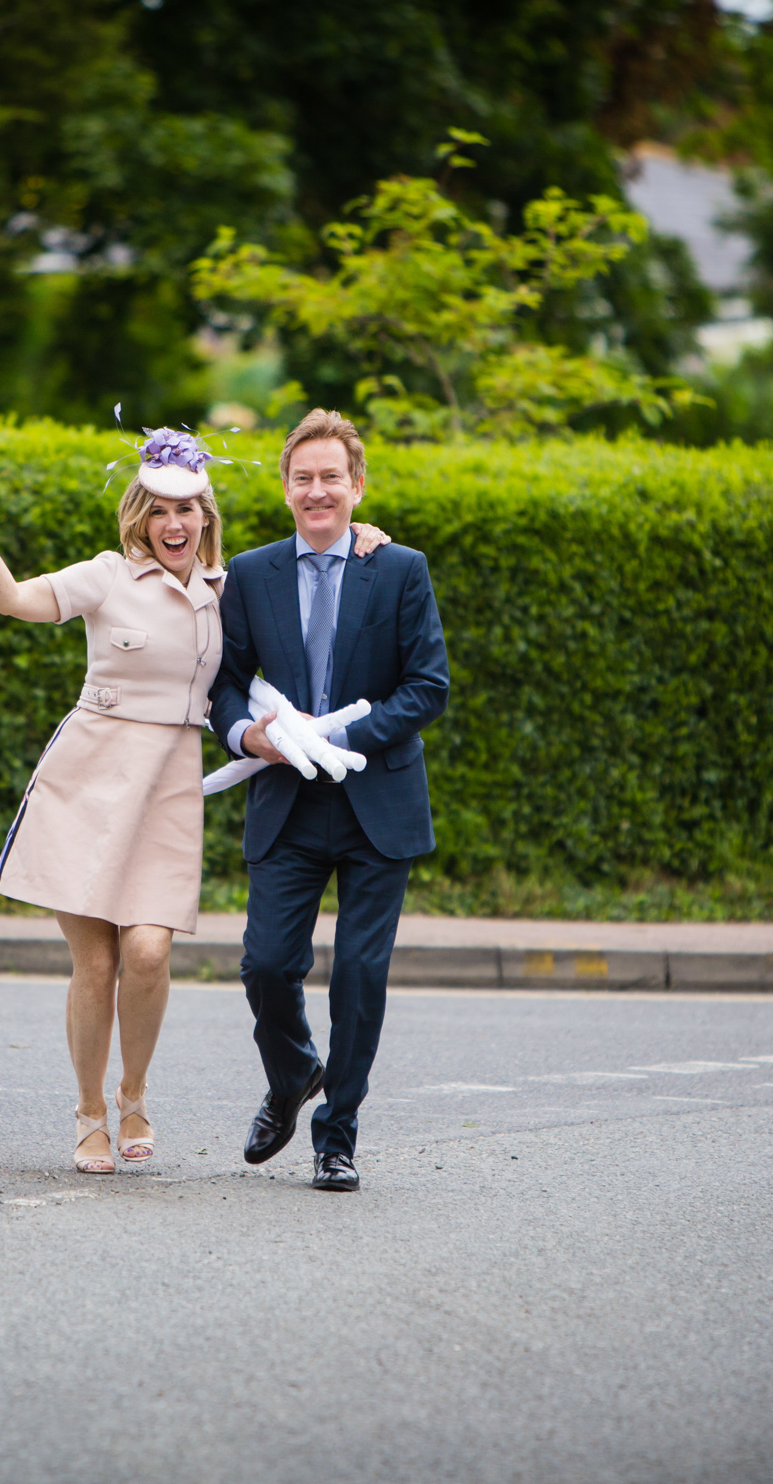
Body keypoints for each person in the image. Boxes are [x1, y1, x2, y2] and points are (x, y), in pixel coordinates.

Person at [0, 430, 389, 1173]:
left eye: (190, 510)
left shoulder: (229, 590)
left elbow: (305, 580)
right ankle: (89, 1115)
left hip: (170, 786)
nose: (176, 523)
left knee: (147, 952)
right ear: (140, 515)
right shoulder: (106, 576)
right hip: (87, 779)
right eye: (161, 510)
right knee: (97, 964)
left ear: (206, 516)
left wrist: (363, 533)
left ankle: (134, 1094)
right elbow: (13, 601)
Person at [208, 409, 448, 1192]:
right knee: (266, 965)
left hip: (376, 798)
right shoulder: (249, 574)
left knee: (359, 977)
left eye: (331, 478)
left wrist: (340, 740)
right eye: (303, 478)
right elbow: (224, 686)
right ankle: (292, 1072)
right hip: (285, 798)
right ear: (285, 489)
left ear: (357, 485)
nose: (318, 491)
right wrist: (253, 737)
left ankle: (335, 1134)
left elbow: (427, 687)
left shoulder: (401, 568)